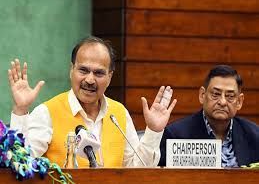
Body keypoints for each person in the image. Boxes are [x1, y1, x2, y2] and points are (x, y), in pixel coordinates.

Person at [8, 36, 177, 168]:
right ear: (71, 70)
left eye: (99, 73)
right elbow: (19, 163)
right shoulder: (47, 112)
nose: (89, 80)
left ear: (110, 77)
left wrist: (154, 131)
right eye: (83, 70)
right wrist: (21, 109)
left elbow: (138, 172)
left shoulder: (118, 114)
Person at [159, 65, 259, 167]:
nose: (223, 102)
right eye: (216, 94)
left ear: (239, 101)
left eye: (230, 96)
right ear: (202, 95)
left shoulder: (254, 136)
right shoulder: (176, 135)